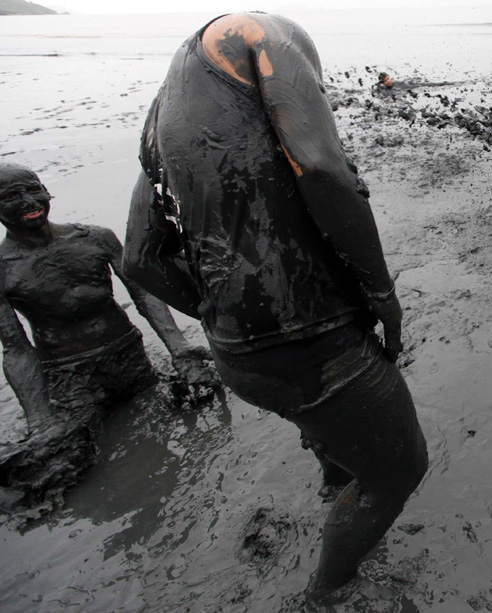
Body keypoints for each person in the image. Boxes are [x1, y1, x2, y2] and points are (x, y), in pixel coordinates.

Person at [122, 13, 428, 600]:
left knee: (327, 427)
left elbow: (140, 257)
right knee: (398, 473)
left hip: (240, 359)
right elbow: (320, 166)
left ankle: (333, 478)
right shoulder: (259, 35)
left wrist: (221, 312)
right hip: (314, 341)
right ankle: (328, 591)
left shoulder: (160, 115)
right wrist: (382, 293)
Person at [0, 162, 214, 507]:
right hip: (70, 377)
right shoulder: (4, 268)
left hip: (130, 357)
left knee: (168, 421)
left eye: (33, 188)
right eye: (11, 196)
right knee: (69, 467)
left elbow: (144, 293)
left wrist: (179, 347)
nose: (28, 201)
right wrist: (41, 418)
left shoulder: (95, 238)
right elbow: (15, 348)